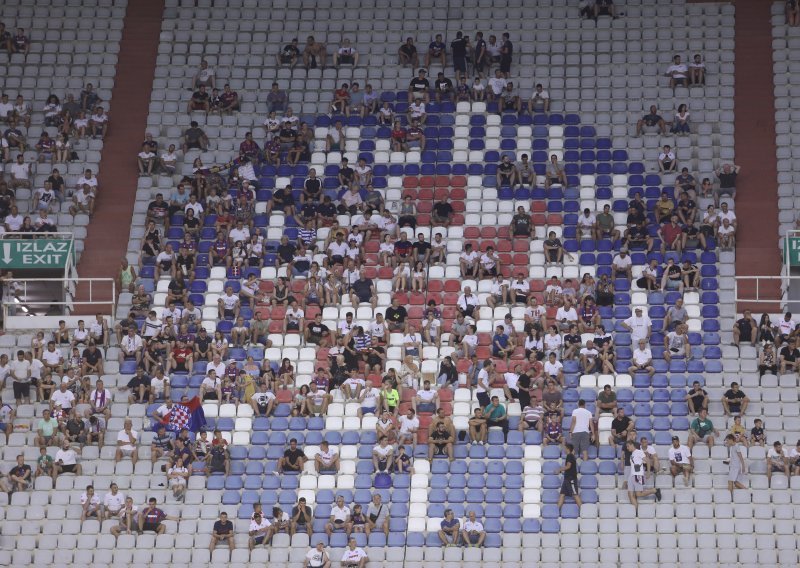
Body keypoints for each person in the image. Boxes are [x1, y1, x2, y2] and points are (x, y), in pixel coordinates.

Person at [626, 441, 661, 508]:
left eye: (628, 446)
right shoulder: (632, 455)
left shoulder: (639, 452)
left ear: (632, 445)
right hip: (631, 475)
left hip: (638, 475)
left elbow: (647, 461)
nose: (627, 448)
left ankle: (654, 490)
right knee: (630, 495)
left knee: (638, 494)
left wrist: (648, 472)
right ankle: (635, 513)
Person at [557, 443, 582, 511]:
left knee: (575, 495)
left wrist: (559, 469)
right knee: (562, 495)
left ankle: (583, 510)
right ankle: (556, 511)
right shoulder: (570, 455)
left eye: (565, 448)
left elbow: (568, 466)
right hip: (566, 479)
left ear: (567, 449)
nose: (564, 449)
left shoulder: (570, 456)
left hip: (571, 479)